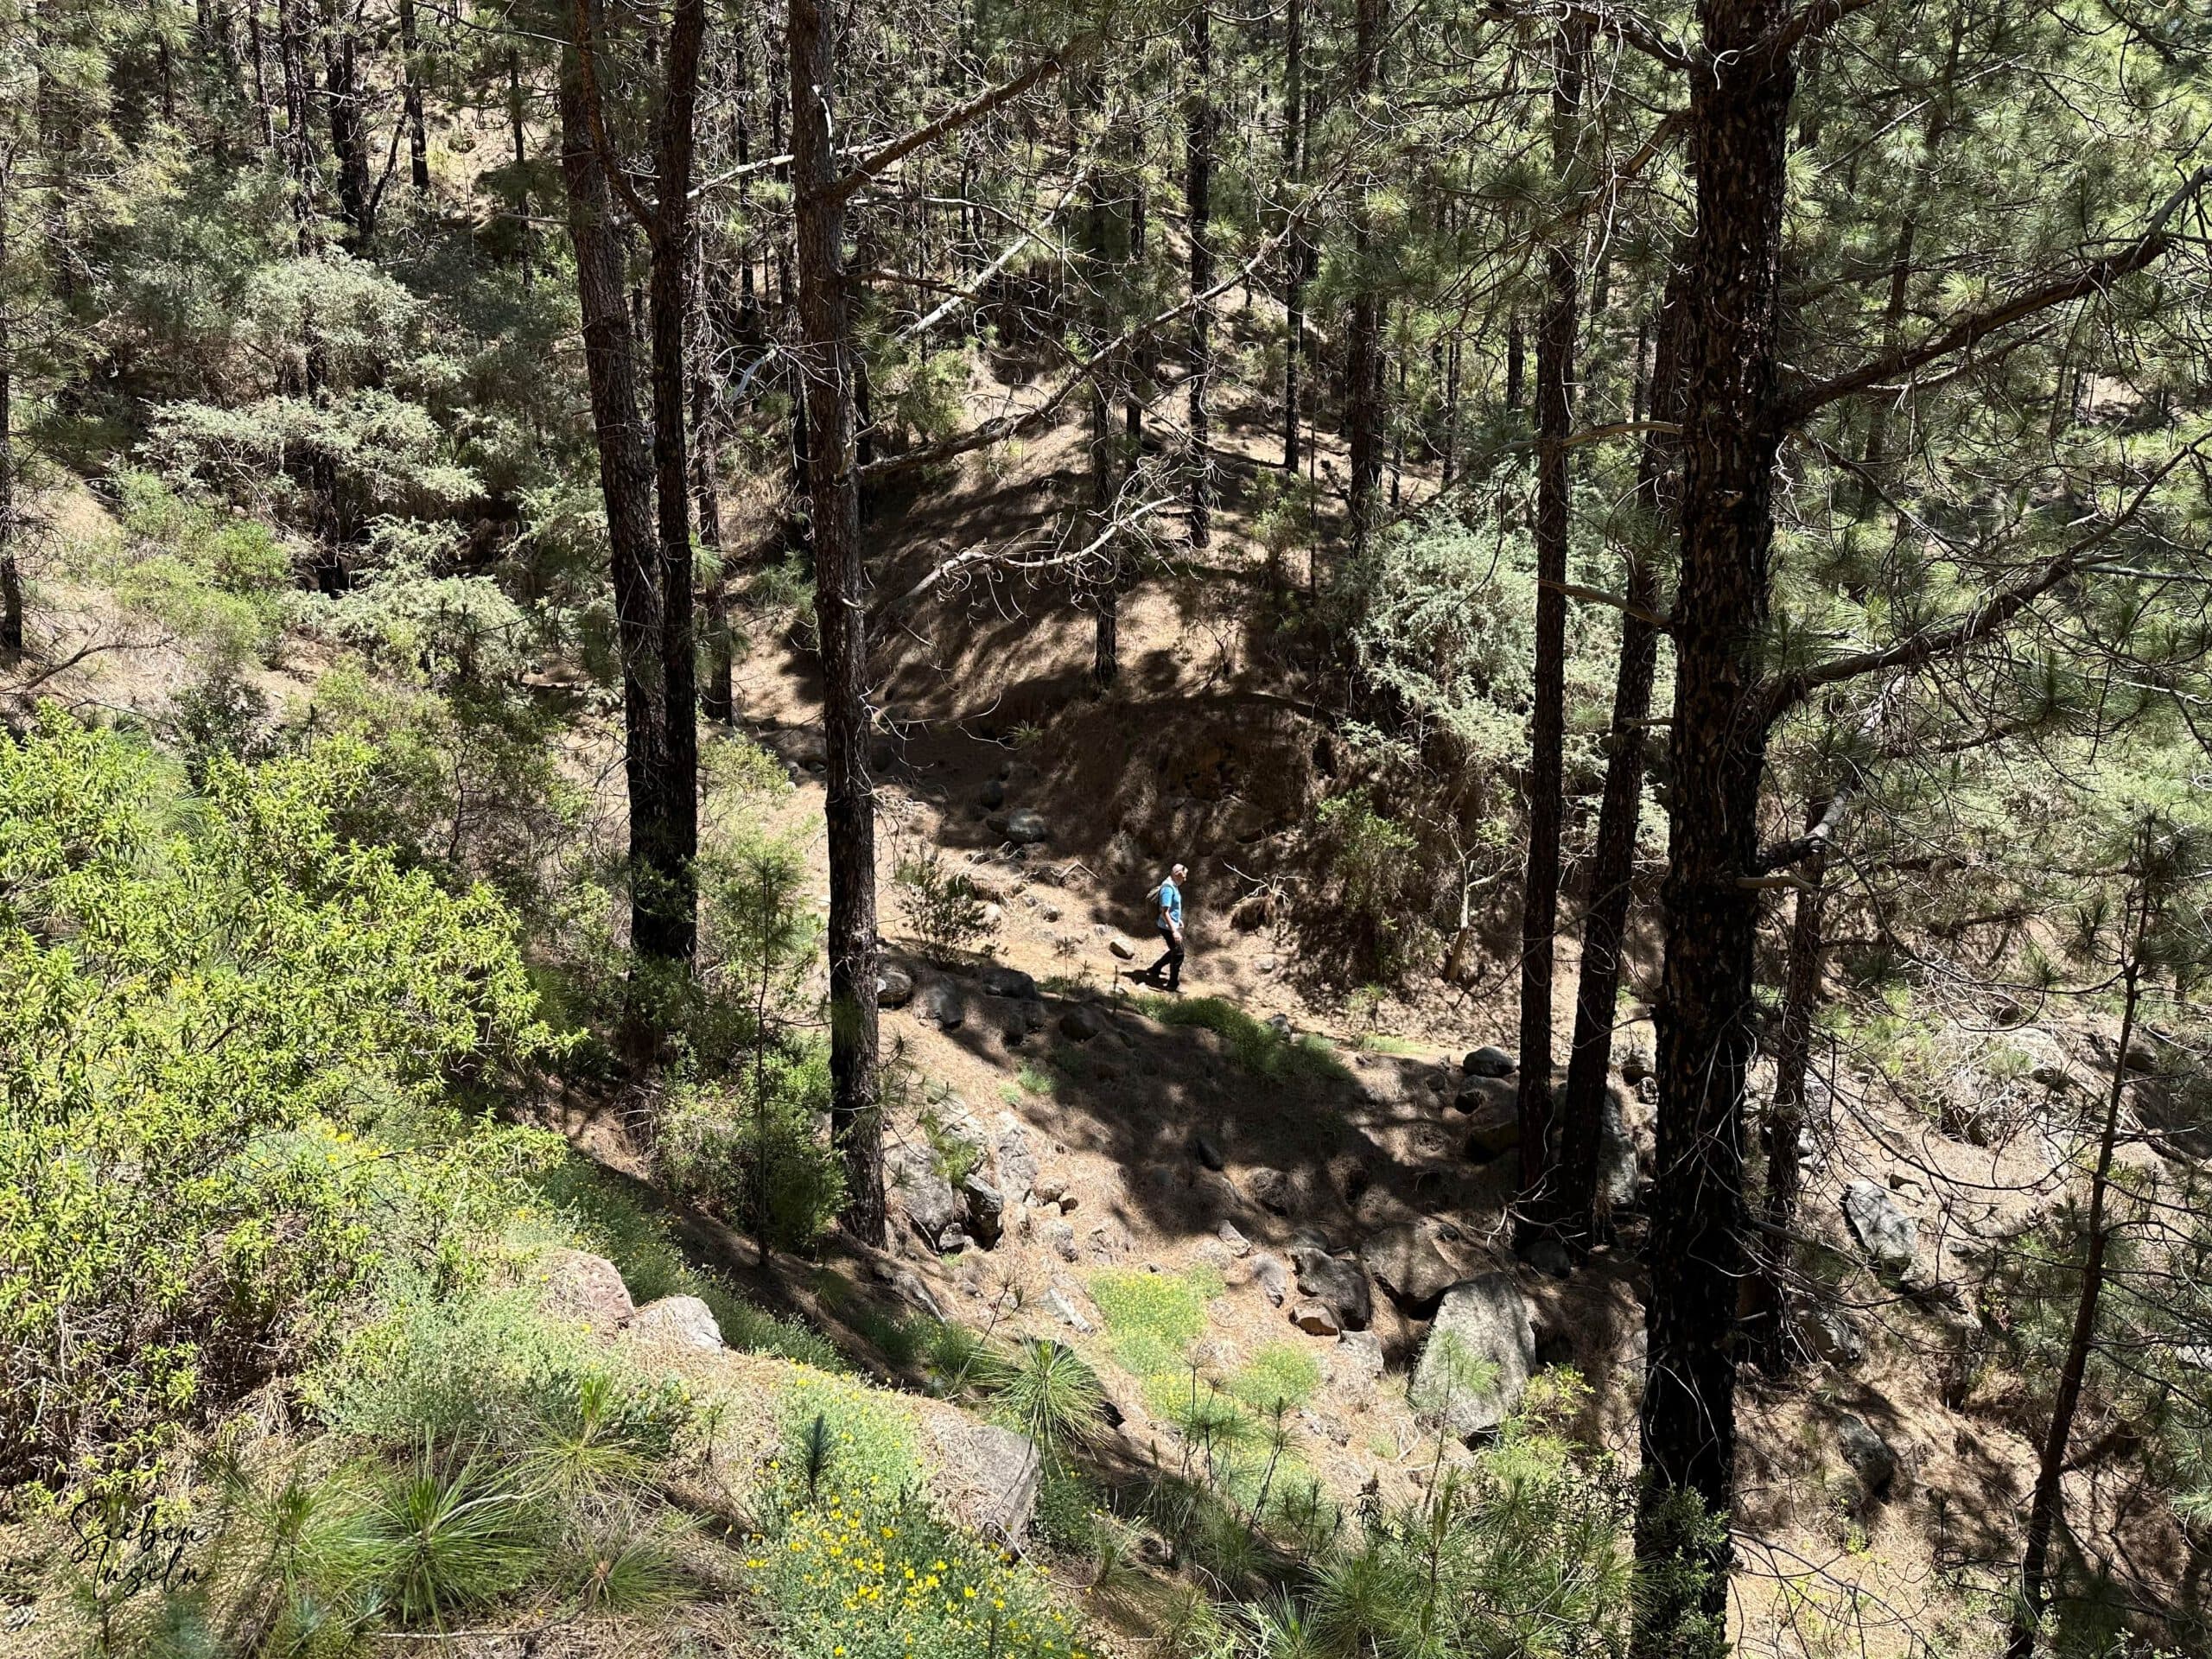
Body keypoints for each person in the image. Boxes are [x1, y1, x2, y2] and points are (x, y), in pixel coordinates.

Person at [1147, 863, 1187, 992]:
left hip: (1170, 924)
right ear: (1178, 874)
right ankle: (1172, 984)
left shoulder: (1173, 886)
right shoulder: (1168, 888)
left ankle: (1155, 969)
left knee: (1175, 951)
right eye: (1183, 877)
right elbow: (1165, 912)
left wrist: (1177, 920)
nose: (1185, 880)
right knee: (1179, 953)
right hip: (1166, 927)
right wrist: (1174, 931)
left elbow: (1172, 909)